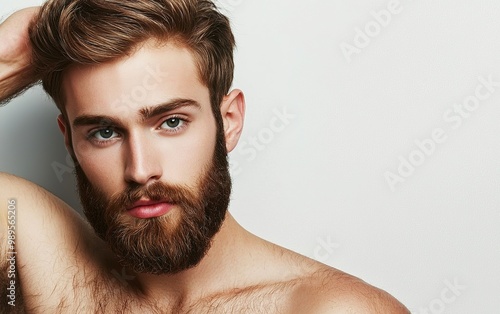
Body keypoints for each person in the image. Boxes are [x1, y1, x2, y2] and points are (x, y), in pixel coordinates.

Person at [0, 1, 409, 313]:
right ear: (69, 141)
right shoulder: (42, 266)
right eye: (104, 133)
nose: (141, 170)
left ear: (228, 120)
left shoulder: (329, 309)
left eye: (172, 122)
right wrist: (6, 61)